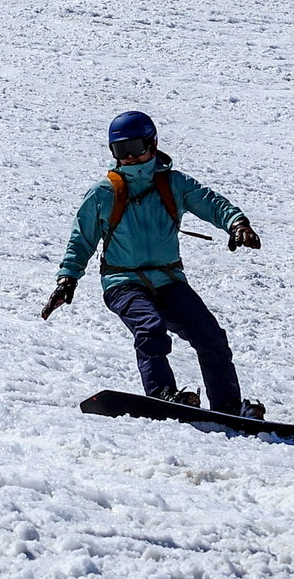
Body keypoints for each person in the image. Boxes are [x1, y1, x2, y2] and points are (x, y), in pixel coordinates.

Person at [42, 110, 265, 417]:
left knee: (210, 335)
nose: (129, 157)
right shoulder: (104, 193)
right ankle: (162, 394)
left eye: (135, 147)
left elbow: (211, 203)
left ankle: (226, 407)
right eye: (121, 151)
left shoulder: (173, 184)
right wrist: (68, 278)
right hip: (123, 282)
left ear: (152, 144)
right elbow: (81, 239)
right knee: (150, 328)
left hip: (168, 280)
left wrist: (237, 224)